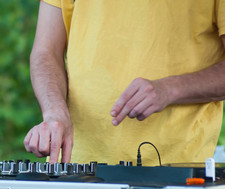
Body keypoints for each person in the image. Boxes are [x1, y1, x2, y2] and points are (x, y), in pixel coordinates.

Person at [24, 0, 225, 166]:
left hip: (177, 170)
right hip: (75, 166)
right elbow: (46, 51)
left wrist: (169, 89)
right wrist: (55, 112)